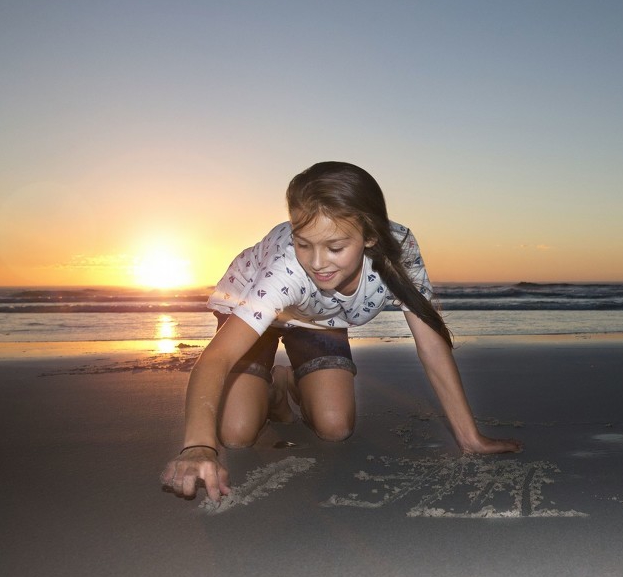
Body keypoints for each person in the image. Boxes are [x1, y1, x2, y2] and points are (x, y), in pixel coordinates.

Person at [160, 161, 521, 501]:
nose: (317, 263)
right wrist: (198, 447)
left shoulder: (400, 252)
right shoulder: (287, 269)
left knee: (335, 427)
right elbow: (218, 357)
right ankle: (268, 392)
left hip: (319, 318)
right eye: (303, 243)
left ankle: (285, 383)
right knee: (236, 434)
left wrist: (469, 437)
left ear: (370, 237)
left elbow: (431, 344)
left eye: (334, 247)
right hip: (251, 303)